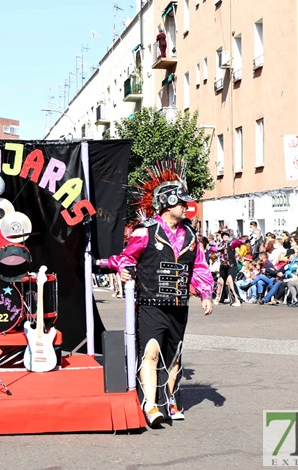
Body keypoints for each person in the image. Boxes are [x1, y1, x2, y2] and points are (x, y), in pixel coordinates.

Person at [96, 160, 213, 427]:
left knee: (174, 357)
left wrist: (205, 293)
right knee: (150, 351)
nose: (186, 207)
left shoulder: (192, 237)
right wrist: (124, 269)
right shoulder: (146, 231)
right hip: (150, 304)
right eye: (182, 202)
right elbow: (127, 257)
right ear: (168, 204)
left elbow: (200, 267)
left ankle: (168, 399)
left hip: (178, 305)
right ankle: (149, 405)